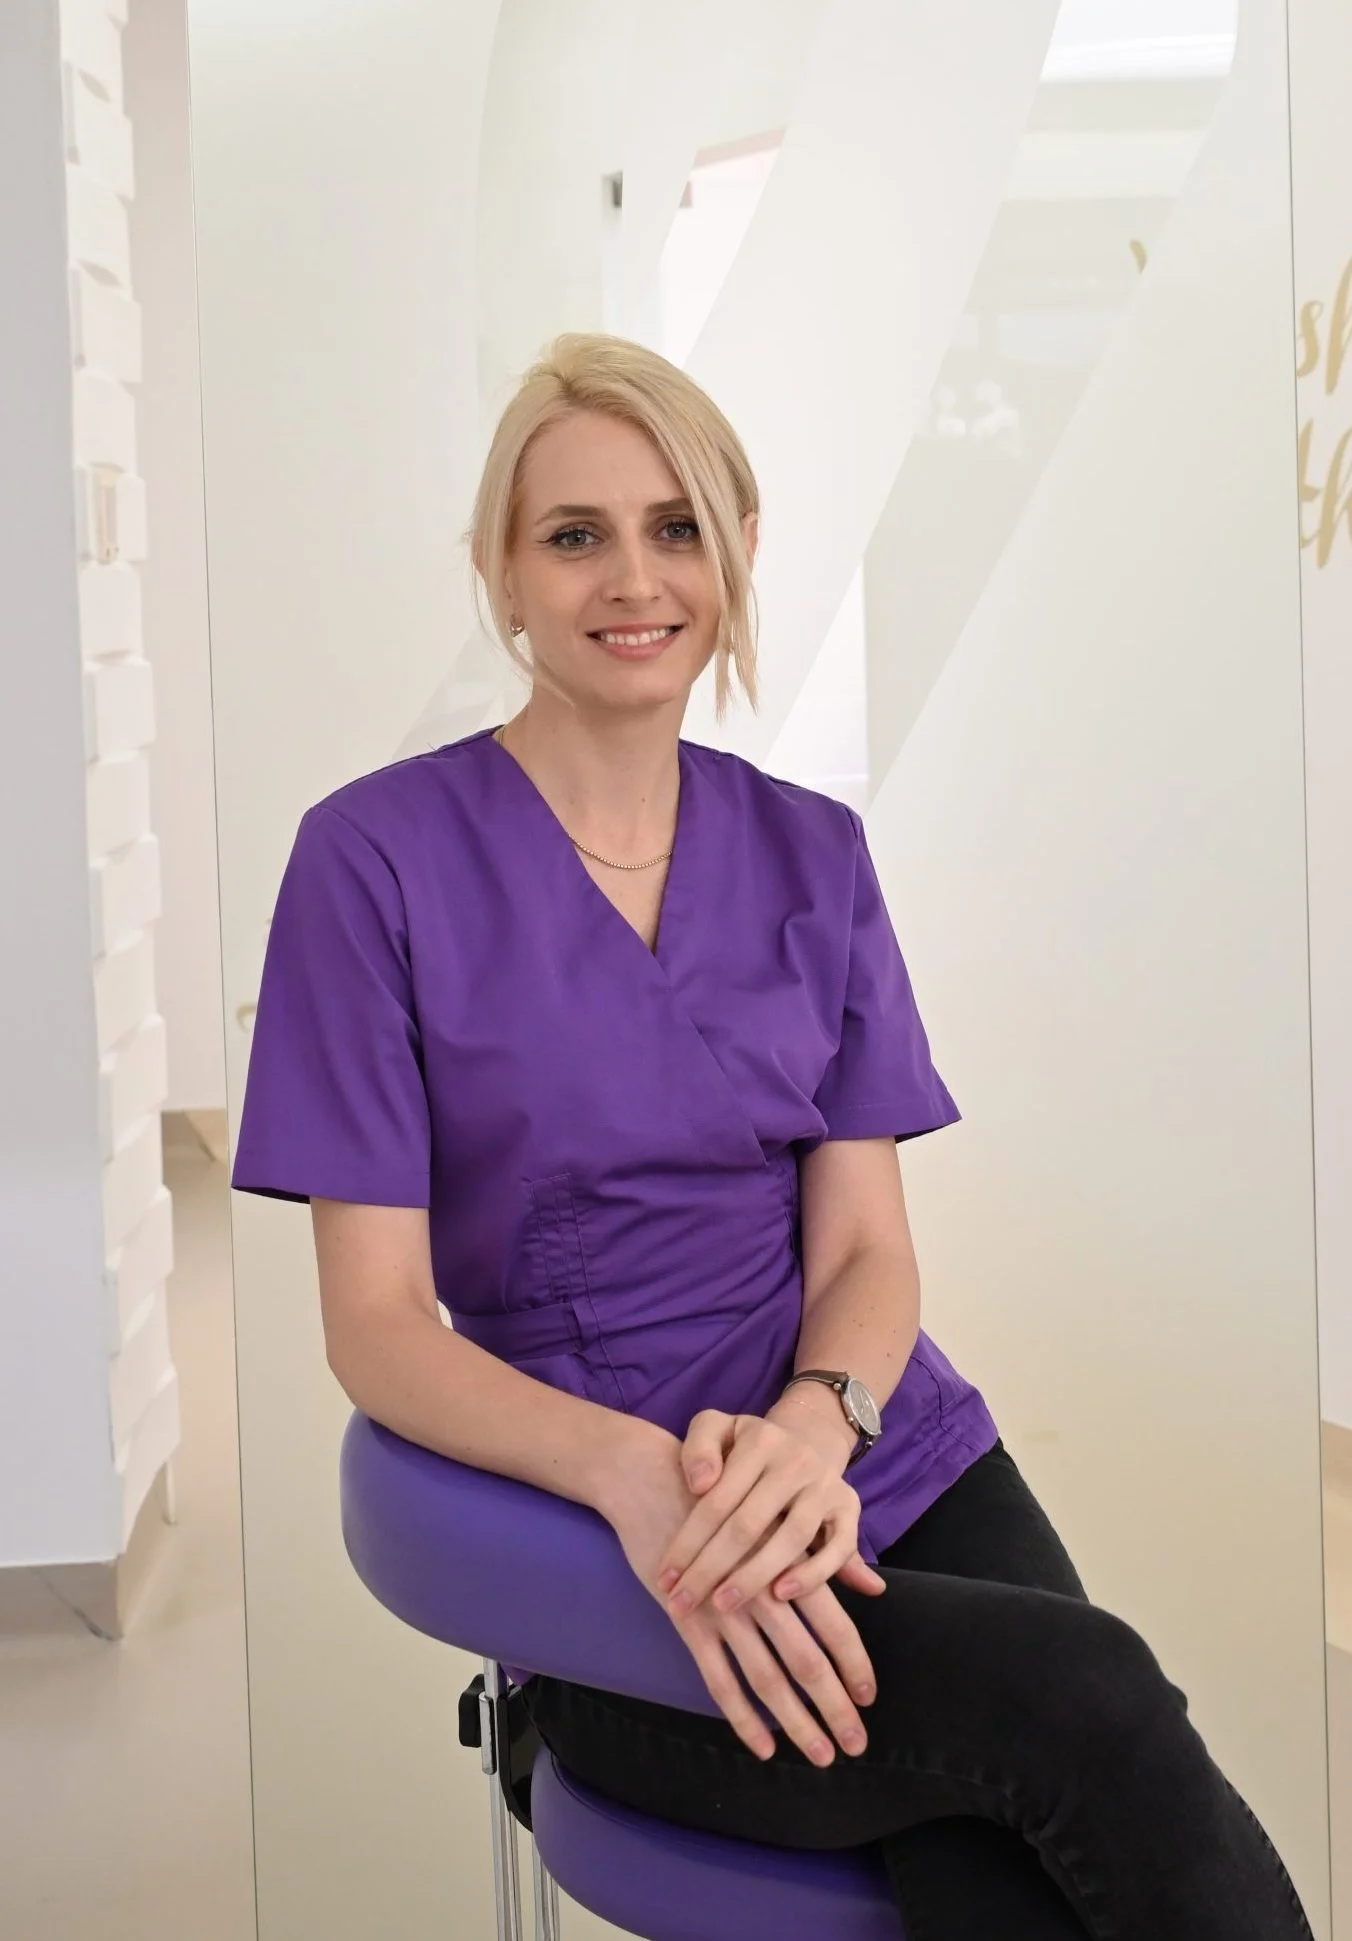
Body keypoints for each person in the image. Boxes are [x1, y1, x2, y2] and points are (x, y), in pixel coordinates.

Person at [229, 331, 1314, 1938]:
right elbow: (376, 1326)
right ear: (501, 570)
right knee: (1084, 1704)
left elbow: (867, 1250)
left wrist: (818, 1427)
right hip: (616, 1541)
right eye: (575, 534)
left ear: (736, 553)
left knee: (1016, 1845)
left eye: (677, 527)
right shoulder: (372, 864)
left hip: (881, 1452)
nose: (633, 578)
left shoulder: (815, 852)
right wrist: (636, 1482)